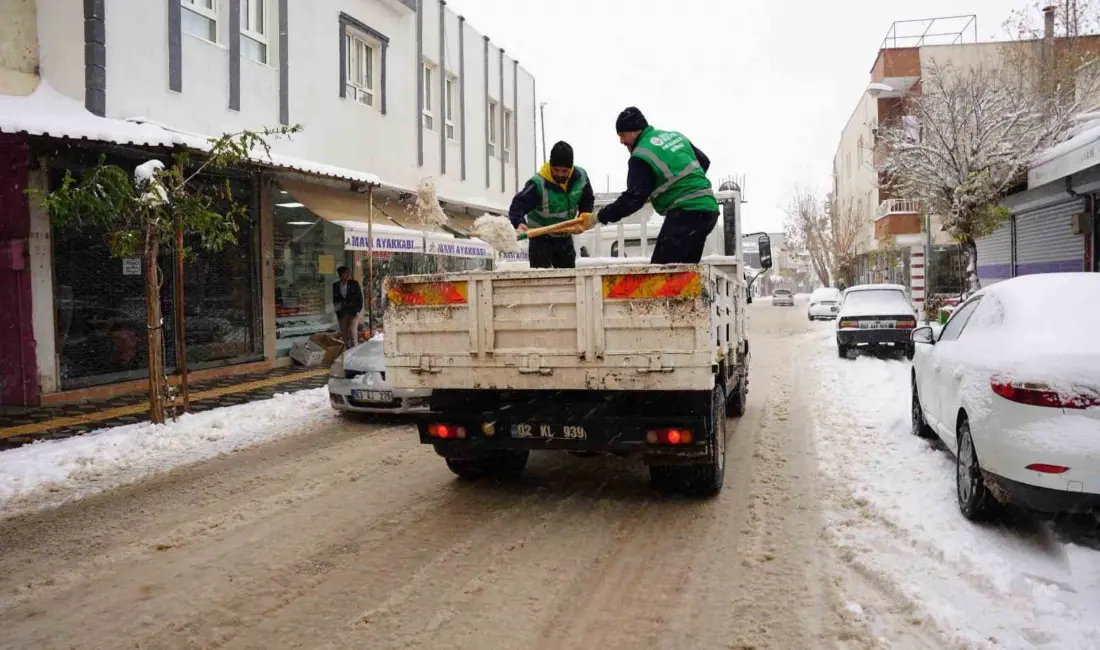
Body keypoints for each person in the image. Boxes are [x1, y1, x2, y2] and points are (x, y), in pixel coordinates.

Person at [584, 107, 720, 264]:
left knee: (660, 275)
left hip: (686, 214)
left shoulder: (641, 155)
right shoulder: (675, 137)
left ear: (635, 130)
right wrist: (683, 187)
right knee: (683, 273)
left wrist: (600, 217)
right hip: (708, 210)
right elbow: (704, 162)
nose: (621, 141)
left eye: (622, 135)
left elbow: (633, 199)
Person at [509, 141, 595, 269]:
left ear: (571, 169)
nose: (560, 174)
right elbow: (518, 205)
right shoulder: (538, 184)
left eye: (564, 171)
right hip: (540, 240)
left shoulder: (580, 178)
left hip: (565, 239)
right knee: (541, 282)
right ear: (550, 166)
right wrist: (519, 222)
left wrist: (583, 216)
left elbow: (587, 199)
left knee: (568, 281)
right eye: (556, 170)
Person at [332, 266, 363, 350]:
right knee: (344, 333)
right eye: (345, 273)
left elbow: (360, 298)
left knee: (353, 332)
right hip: (342, 312)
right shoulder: (335, 285)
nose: (348, 274)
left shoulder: (354, 284)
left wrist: (358, 310)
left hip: (353, 312)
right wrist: (338, 312)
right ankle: (347, 349)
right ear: (340, 274)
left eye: (348, 273)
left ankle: (355, 349)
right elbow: (335, 300)